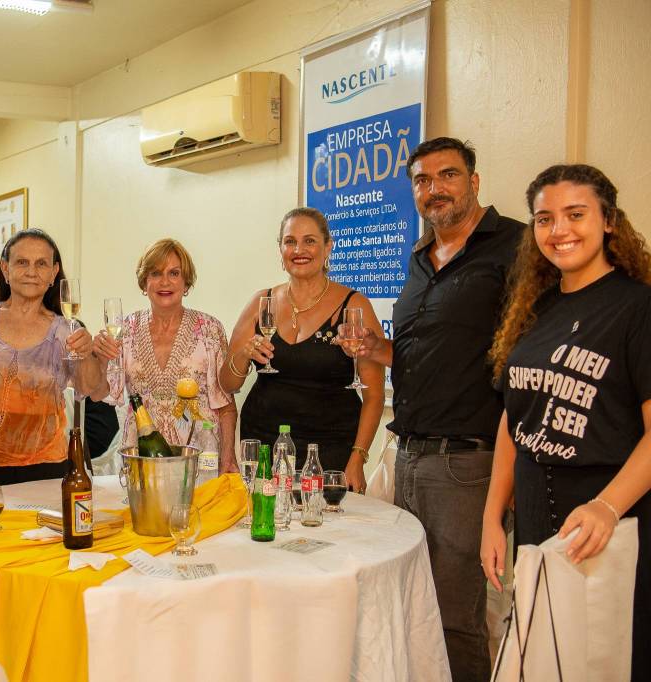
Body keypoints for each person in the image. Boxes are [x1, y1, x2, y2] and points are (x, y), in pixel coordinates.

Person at [347, 137, 525, 681]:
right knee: (413, 608)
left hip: (469, 462)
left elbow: (527, 353)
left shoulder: (516, 245)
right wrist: (376, 349)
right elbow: (422, 351)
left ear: (474, 181)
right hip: (410, 454)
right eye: (422, 180)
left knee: (456, 619)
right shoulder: (419, 258)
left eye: (448, 175)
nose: (434, 188)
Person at [481, 164, 651, 678]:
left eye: (576, 214)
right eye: (544, 219)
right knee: (543, 662)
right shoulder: (535, 309)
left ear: (609, 221)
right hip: (536, 518)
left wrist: (607, 506)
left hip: (609, 523)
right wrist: (493, 516)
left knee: (605, 662)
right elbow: (515, 419)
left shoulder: (638, 307)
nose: (559, 230)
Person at [220, 207, 383, 486]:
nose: (299, 250)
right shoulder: (261, 302)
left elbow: (374, 396)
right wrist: (244, 355)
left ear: (328, 247)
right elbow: (227, 384)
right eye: (290, 241)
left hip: (330, 451)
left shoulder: (354, 305)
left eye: (309, 241)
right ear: (280, 249)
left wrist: (358, 458)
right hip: (264, 445)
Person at [0, 228, 107, 487]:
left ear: (54, 273)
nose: (31, 272)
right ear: (5, 269)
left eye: (41, 264)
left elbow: (91, 388)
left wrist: (87, 354)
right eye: (22, 262)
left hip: (45, 466)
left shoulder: (65, 330)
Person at [93, 238, 237, 471]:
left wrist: (228, 458)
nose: (165, 282)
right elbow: (101, 393)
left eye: (174, 273)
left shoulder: (210, 329)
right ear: (144, 281)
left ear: (186, 282)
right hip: (141, 458)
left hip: (199, 457)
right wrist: (100, 361)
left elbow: (226, 406)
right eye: (155, 273)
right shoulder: (125, 329)